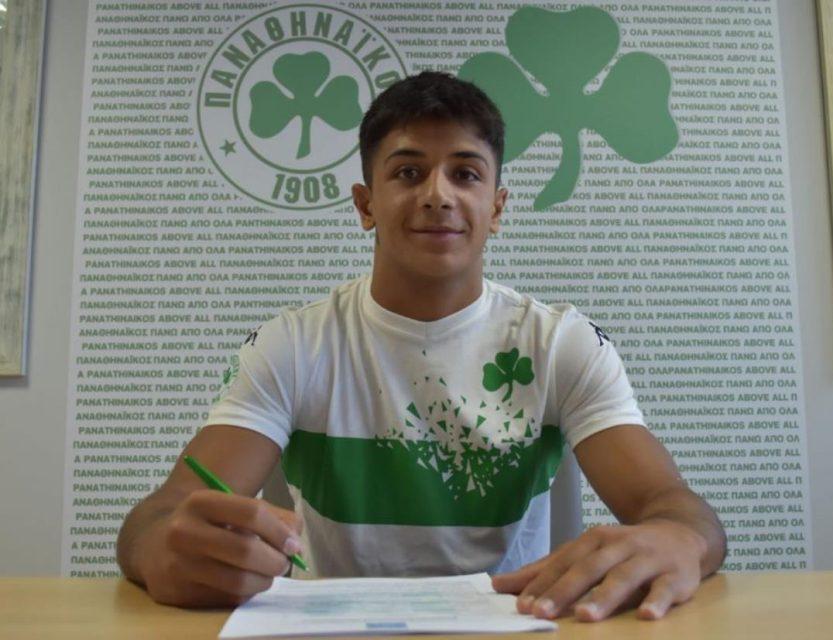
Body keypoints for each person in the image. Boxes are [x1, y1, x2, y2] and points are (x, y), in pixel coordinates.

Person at [117, 71, 726, 622]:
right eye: (408, 172)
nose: (438, 194)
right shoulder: (294, 344)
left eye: (466, 173)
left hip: (512, 625)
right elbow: (159, 516)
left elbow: (671, 505)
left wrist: (680, 539)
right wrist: (157, 547)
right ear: (365, 205)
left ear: (497, 207)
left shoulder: (559, 342)